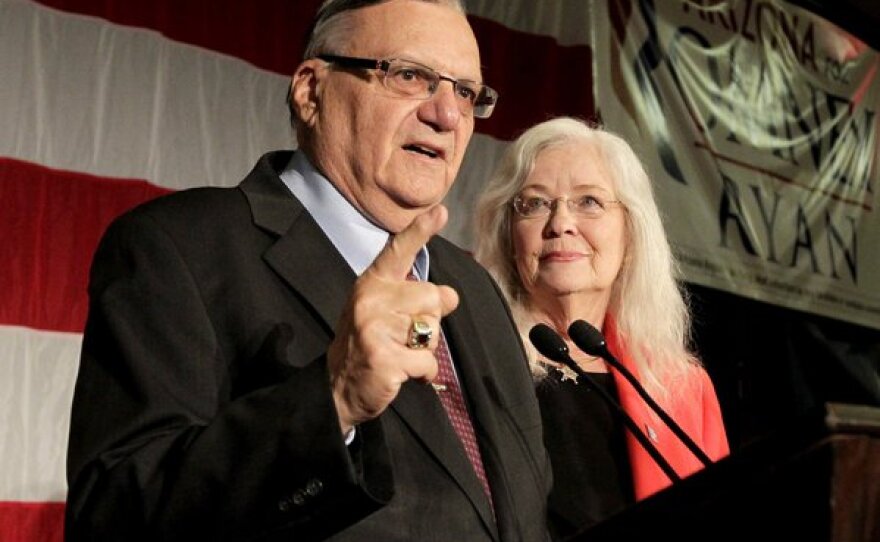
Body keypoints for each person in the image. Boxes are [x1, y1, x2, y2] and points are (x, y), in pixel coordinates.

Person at [65, 1, 552, 540]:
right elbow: (113, 517)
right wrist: (333, 400)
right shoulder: (179, 247)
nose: (447, 114)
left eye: (465, 91)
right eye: (411, 76)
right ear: (310, 90)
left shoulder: (473, 288)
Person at [473, 117, 729, 539]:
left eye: (589, 202)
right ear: (507, 236)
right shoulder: (470, 359)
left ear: (631, 234)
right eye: (535, 203)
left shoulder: (683, 389)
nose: (561, 224)